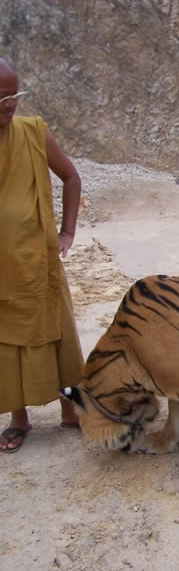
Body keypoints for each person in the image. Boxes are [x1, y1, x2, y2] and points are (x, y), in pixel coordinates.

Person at [0, 58, 83, 453]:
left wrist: (67, 231)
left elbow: (70, 176)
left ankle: (70, 410)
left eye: (14, 95)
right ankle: (19, 419)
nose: (9, 104)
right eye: (1, 97)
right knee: (7, 342)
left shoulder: (33, 133)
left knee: (56, 335)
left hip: (38, 262)